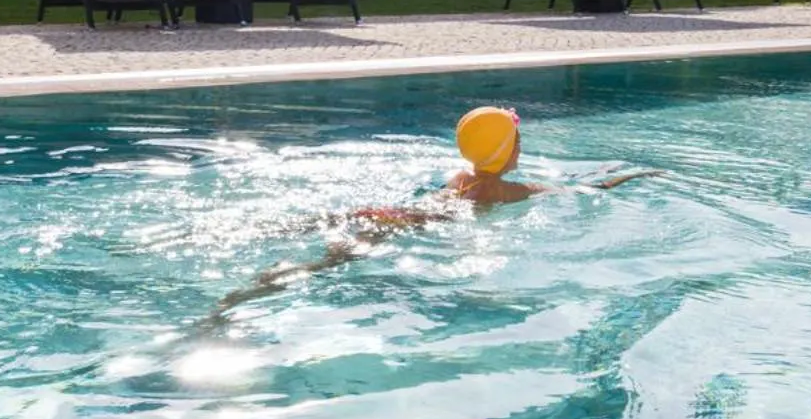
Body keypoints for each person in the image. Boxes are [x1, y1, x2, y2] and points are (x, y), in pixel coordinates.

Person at [199, 106, 658, 325]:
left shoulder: (461, 177)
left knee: (322, 229)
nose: (522, 146)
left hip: (396, 213)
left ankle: (250, 257)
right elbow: (577, 190)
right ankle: (236, 302)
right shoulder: (507, 191)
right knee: (322, 264)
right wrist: (629, 175)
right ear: (507, 151)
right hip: (406, 226)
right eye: (518, 141)